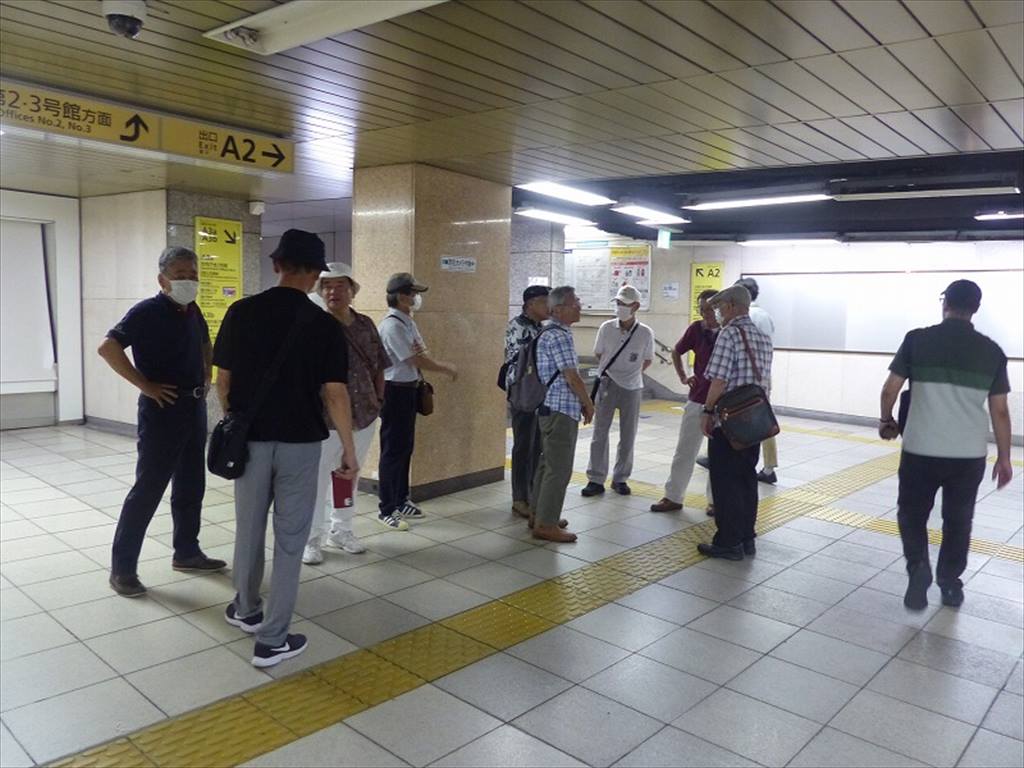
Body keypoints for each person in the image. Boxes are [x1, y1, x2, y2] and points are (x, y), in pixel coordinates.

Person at [213, 229, 358, 668]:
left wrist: (236, 421)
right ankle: (273, 639)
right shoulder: (325, 325)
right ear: (316, 274)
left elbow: (223, 382)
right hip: (301, 444)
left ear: (277, 265)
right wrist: (348, 449)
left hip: (251, 443)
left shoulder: (241, 312)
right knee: (291, 540)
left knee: (249, 528)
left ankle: (246, 609)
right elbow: (335, 393)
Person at [98, 246, 226, 598]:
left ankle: (187, 552)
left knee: (191, 484)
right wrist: (145, 385)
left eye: (193, 275)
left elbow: (205, 343)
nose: (188, 281)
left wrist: (207, 372)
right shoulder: (146, 311)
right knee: (149, 488)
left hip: (193, 407)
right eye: (180, 275)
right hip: (161, 411)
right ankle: (123, 569)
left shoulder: (193, 310)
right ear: (162, 279)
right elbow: (108, 348)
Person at [879, 279, 1013, 610]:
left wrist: (887, 420)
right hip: (968, 455)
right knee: (958, 520)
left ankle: (918, 567)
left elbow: (890, 389)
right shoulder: (992, 352)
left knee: (912, 514)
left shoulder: (917, 340)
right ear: (975, 309)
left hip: (920, 450)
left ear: (945, 303)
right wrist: (1005, 458)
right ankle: (950, 584)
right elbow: (1000, 411)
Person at [302, 263, 390, 565]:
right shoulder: (314, 325)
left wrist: (378, 399)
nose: (333, 291)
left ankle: (341, 529)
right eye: (326, 286)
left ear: (352, 291)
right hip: (324, 418)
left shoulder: (365, 324)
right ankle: (312, 537)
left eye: (340, 286)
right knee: (316, 479)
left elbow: (379, 364)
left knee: (347, 474)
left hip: (363, 414)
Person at [376, 273, 458, 530]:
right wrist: (444, 367)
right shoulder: (392, 326)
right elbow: (414, 358)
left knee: (404, 447)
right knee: (392, 450)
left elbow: (420, 351)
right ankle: (386, 508)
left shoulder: (407, 322)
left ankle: (401, 499)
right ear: (401, 296)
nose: (416, 298)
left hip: (409, 390)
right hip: (394, 392)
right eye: (412, 293)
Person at [697, 284, 773, 560]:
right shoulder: (763, 337)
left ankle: (728, 542)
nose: (717, 312)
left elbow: (719, 380)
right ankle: (746, 538)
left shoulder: (728, 334)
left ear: (730, 306)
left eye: (719, 307)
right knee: (746, 479)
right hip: (753, 421)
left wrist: (707, 411)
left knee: (725, 481)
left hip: (728, 422)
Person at [531, 286, 595, 543]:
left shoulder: (550, 332)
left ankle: (539, 514)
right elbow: (571, 376)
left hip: (550, 407)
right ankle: (546, 524)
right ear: (558, 309)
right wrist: (588, 402)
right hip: (559, 409)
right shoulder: (559, 335)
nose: (579, 306)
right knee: (559, 468)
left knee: (547, 464)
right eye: (574, 302)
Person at [581, 285, 655, 497]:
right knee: (600, 432)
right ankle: (596, 478)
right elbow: (599, 354)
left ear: (636, 306)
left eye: (625, 304)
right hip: (607, 383)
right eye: (618, 303)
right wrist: (615, 372)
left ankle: (620, 478)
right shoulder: (606, 328)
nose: (620, 307)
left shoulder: (645, 333)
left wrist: (630, 373)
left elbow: (648, 359)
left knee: (628, 434)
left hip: (632, 387)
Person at [651, 289, 718, 514]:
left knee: (718, 454)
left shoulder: (728, 331)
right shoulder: (696, 329)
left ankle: (715, 501)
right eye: (702, 309)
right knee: (685, 450)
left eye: (710, 309)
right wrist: (683, 376)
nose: (706, 314)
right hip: (698, 398)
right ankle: (673, 496)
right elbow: (676, 351)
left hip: (722, 401)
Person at [505, 285, 551, 519]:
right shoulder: (518, 326)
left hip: (539, 394)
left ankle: (534, 496)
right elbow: (522, 362)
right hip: (523, 394)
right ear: (531, 304)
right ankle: (520, 498)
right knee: (523, 446)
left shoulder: (539, 327)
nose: (549, 307)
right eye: (545, 301)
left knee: (537, 447)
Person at [735, 277, 779, 485]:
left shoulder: (748, 316)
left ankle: (753, 462)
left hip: (746, 377)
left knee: (749, 418)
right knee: (763, 417)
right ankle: (769, 467)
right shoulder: (765, 316)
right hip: (763, 375)